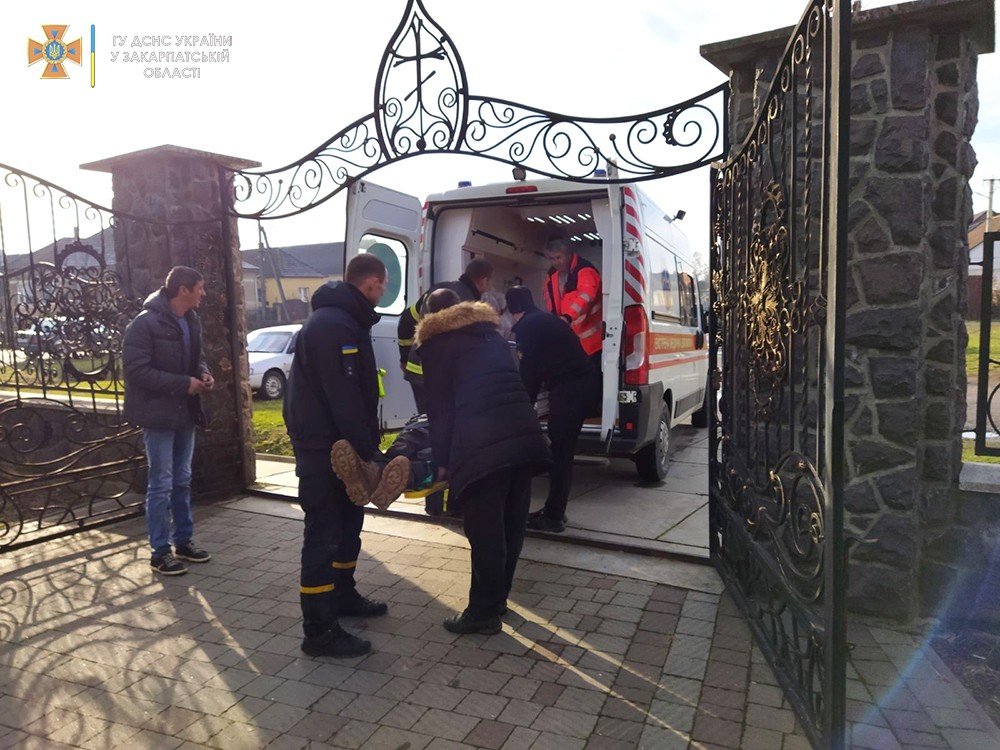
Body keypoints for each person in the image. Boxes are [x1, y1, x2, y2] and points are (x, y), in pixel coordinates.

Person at [283, 254, 405, 658]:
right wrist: (370, 453)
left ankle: (342, 595)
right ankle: (318, 630)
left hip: (339, 446)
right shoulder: (335, 325)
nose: (383, 292)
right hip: (325, 448)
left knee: (349, 522)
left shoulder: (344, 320)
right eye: (383, 285)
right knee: (323, 532)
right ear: (372, 282)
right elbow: (344, 394)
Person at [416, 295, 551, 635]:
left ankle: (482, 613)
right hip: (522, 436)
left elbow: (440, 409)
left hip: (482, 444)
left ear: (433, 317)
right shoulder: (493, 336)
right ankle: (497, 599)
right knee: (511, 525)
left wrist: (442, 461)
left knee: (485, 531)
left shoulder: (437, 344)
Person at [123, 265, 214, 576]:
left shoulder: (191, 319)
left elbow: (197, 357)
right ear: (183, 290)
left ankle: (183, 542)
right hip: (158, 416)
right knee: (161, 484)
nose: (203, 294)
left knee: (182, 479)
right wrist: (183, 384)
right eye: (199, 288)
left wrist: (203, 373)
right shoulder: (144, 324)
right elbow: (137, 371)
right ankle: (159, 552)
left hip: (185, 413)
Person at [506, 287, 593, 534]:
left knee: (561, 451)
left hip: (570, 389)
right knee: (561, 451)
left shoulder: (527, 328)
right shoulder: (544, 319)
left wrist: (522, 409)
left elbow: (529, 374)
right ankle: (554, 510)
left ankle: (554, 517)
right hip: (579, 385)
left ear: (512, 309)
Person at [397, 258, 494, 413]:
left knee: (428, 421)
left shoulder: (438, 289)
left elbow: (406, 320)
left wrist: (405, 357)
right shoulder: (469, 305)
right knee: (446, 420)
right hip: (441, 375)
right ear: (483, 280)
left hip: (417, 371)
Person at [542, 238, 603, 412]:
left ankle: (591, 410)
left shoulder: (585, 270)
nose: (555, 262)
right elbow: (549, 297)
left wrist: (567, 317)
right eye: (551, 258)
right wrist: (555, 320)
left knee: (590, 377)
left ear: (569, 255)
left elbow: (586, 296)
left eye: (558, 257)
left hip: (591, 339)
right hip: (569, 336)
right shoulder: (552, 275)